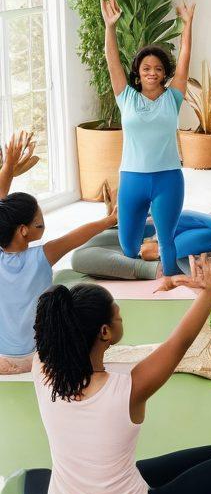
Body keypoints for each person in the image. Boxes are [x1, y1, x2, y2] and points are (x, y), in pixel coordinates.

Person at [23, 258, 211, 494]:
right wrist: (208, 293)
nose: (121, 318)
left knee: (36, 476)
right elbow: (179, 343)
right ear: (105, 332)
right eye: (118, 315)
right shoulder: (128, 389)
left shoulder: (41, 368)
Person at [1, 132, 118, 375]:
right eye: (38, 221)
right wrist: (110, 219)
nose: (42, 222)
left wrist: (9, 167)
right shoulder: (43, 255)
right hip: (39, 357)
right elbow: (78, 235)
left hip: (3, 360)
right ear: (23, 230)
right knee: (69, 293)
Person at [101, 0, 193, 284]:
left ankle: (174, 282)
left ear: (164, 73)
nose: (152, 72)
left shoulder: (173, 98)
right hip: (132, 178)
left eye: (158, 68)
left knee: (168, 247)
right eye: (146, 68)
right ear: (137, 74)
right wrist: (110, 26)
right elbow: (111, 59)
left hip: (167, 178)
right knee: (128, 248)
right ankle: (152, 248)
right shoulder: (125, 97)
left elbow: (186, 59)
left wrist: (187, 27)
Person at [70, 210, 211, 281]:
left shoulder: (181, 242)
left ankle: (158, 247)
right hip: (155, 244)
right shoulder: (182, 240)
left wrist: (157, 248)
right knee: (79, 256)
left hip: (157, 248)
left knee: (77, 257)